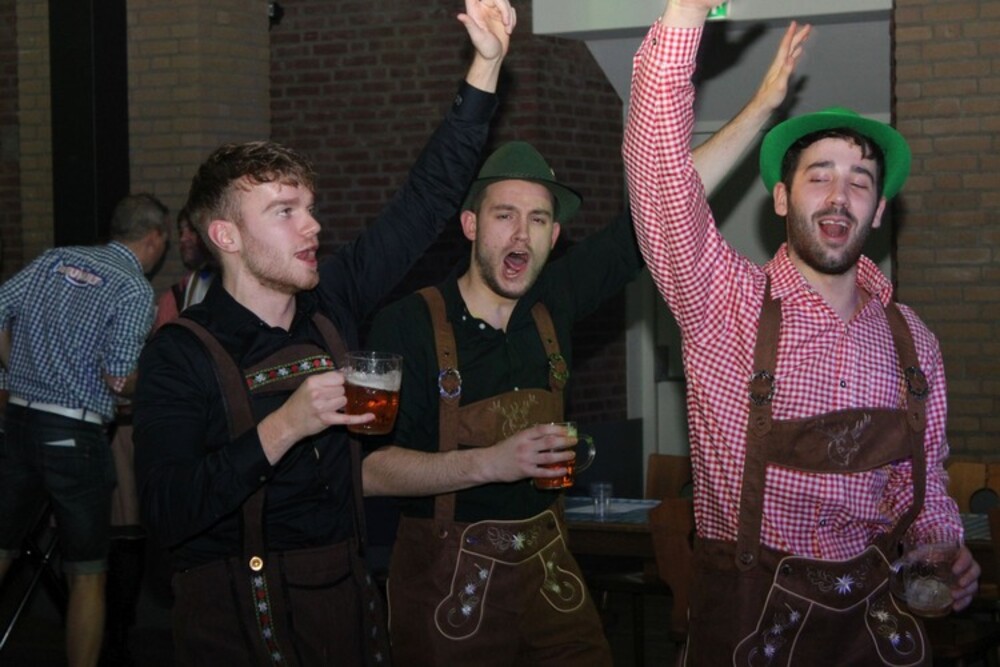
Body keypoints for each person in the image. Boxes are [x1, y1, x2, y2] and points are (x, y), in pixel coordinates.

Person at [360, 21, 812, 665]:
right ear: (470, 224)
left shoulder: (555, 300)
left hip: (550, 572)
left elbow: (669, 203)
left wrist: (763, 108)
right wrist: (491, 463)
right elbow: (368, 472)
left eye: (538, 219)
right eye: (504, 216)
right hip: (446, 586)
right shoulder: (405, 324)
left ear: (554, 237)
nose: (521, 235)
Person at [131, 2, 515, 665]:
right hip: (238, 627)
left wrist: (486, 65)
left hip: (346, 610)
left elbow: (427, 200)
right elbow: (167, 511)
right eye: (284, 211)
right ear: (226, 235)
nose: (311, 225)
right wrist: (286, 425)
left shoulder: (332, 302)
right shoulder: (181, 352)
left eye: (309, 208)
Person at [622, 2, 980, 665]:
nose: (840, 195)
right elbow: (659, 182)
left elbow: (920, 481)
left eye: (860, 182)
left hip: (872, 629)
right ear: (782, 198)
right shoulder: (721, 304)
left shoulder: (913, 341)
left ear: (878, 211)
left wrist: (941, 543)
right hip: (749, 627)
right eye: (819, 176)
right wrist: (686, 14)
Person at [0, 193, 168, 667]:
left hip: (20, 423)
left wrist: (16, 371)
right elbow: (119, 378)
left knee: (2, 547)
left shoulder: (53, 259)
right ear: (154, 239)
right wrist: (155, 379)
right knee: (88, 571)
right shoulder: (133, 289)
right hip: (75, 438)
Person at [152, 205, 217, 330]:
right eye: (181, 232)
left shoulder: (226, 280)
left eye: (192, 230)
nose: (183, 239)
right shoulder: (188, 284)